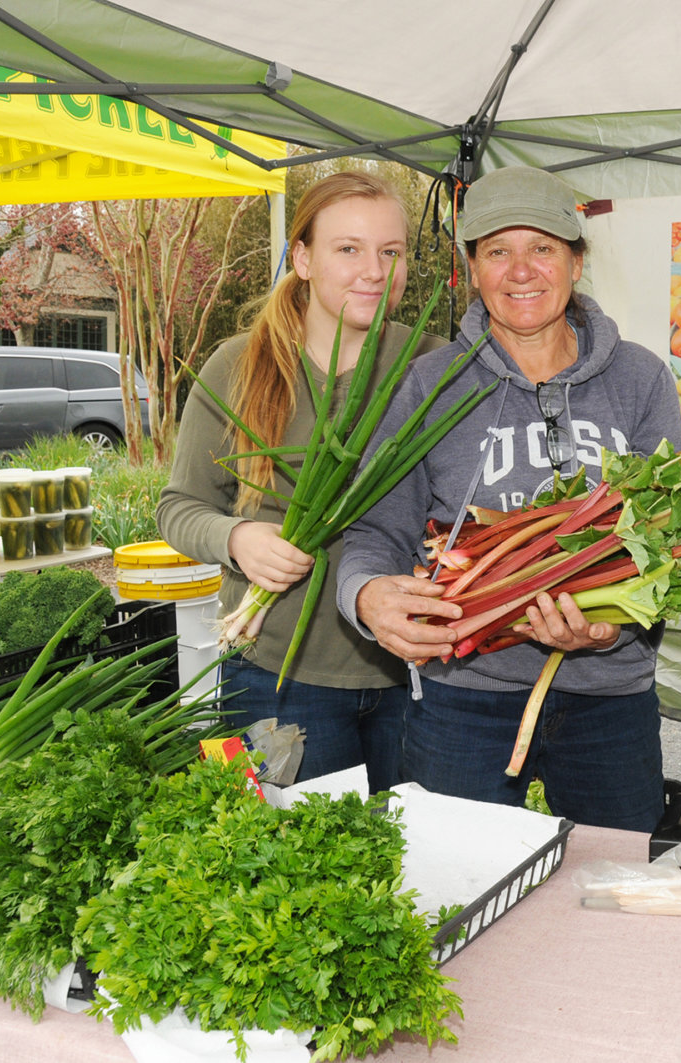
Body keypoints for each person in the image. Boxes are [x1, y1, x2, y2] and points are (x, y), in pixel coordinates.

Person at [336, 166, 681, 831]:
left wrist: (614, 627)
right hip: (465, 699)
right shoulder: (430, 385)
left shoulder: (640, 379)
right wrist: (364, 593)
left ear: (576, 261)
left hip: (609, 701)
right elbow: (374, 534)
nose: (521, 270)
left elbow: (668, 547)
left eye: (543, 248)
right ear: (473, 268)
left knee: (619, 891)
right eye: (498, 250)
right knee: (458, 898)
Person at [158, 171, 445, 793]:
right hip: (272, 677)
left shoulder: (435, 365)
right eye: (348, 249)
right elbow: (178, 507)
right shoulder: (238, 364)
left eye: (390, 252)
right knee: (286, 865)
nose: (374, 270)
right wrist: (238, 539)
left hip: (415, 677)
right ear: (303, 258)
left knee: (418, 872)